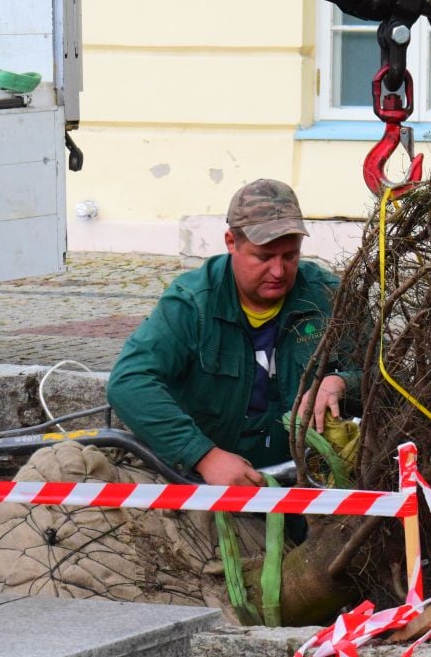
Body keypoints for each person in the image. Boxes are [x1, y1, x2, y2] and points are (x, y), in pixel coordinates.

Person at [107, 178, 358, 487]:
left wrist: (343, 383)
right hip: (209, 486)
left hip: (309, 485)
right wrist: (203, 456)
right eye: (264, 257)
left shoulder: (328, 297)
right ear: (231, 242)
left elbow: (389, 375)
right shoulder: (193, 302)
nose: (278, 271)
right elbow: (129, 382)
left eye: (290, 256)